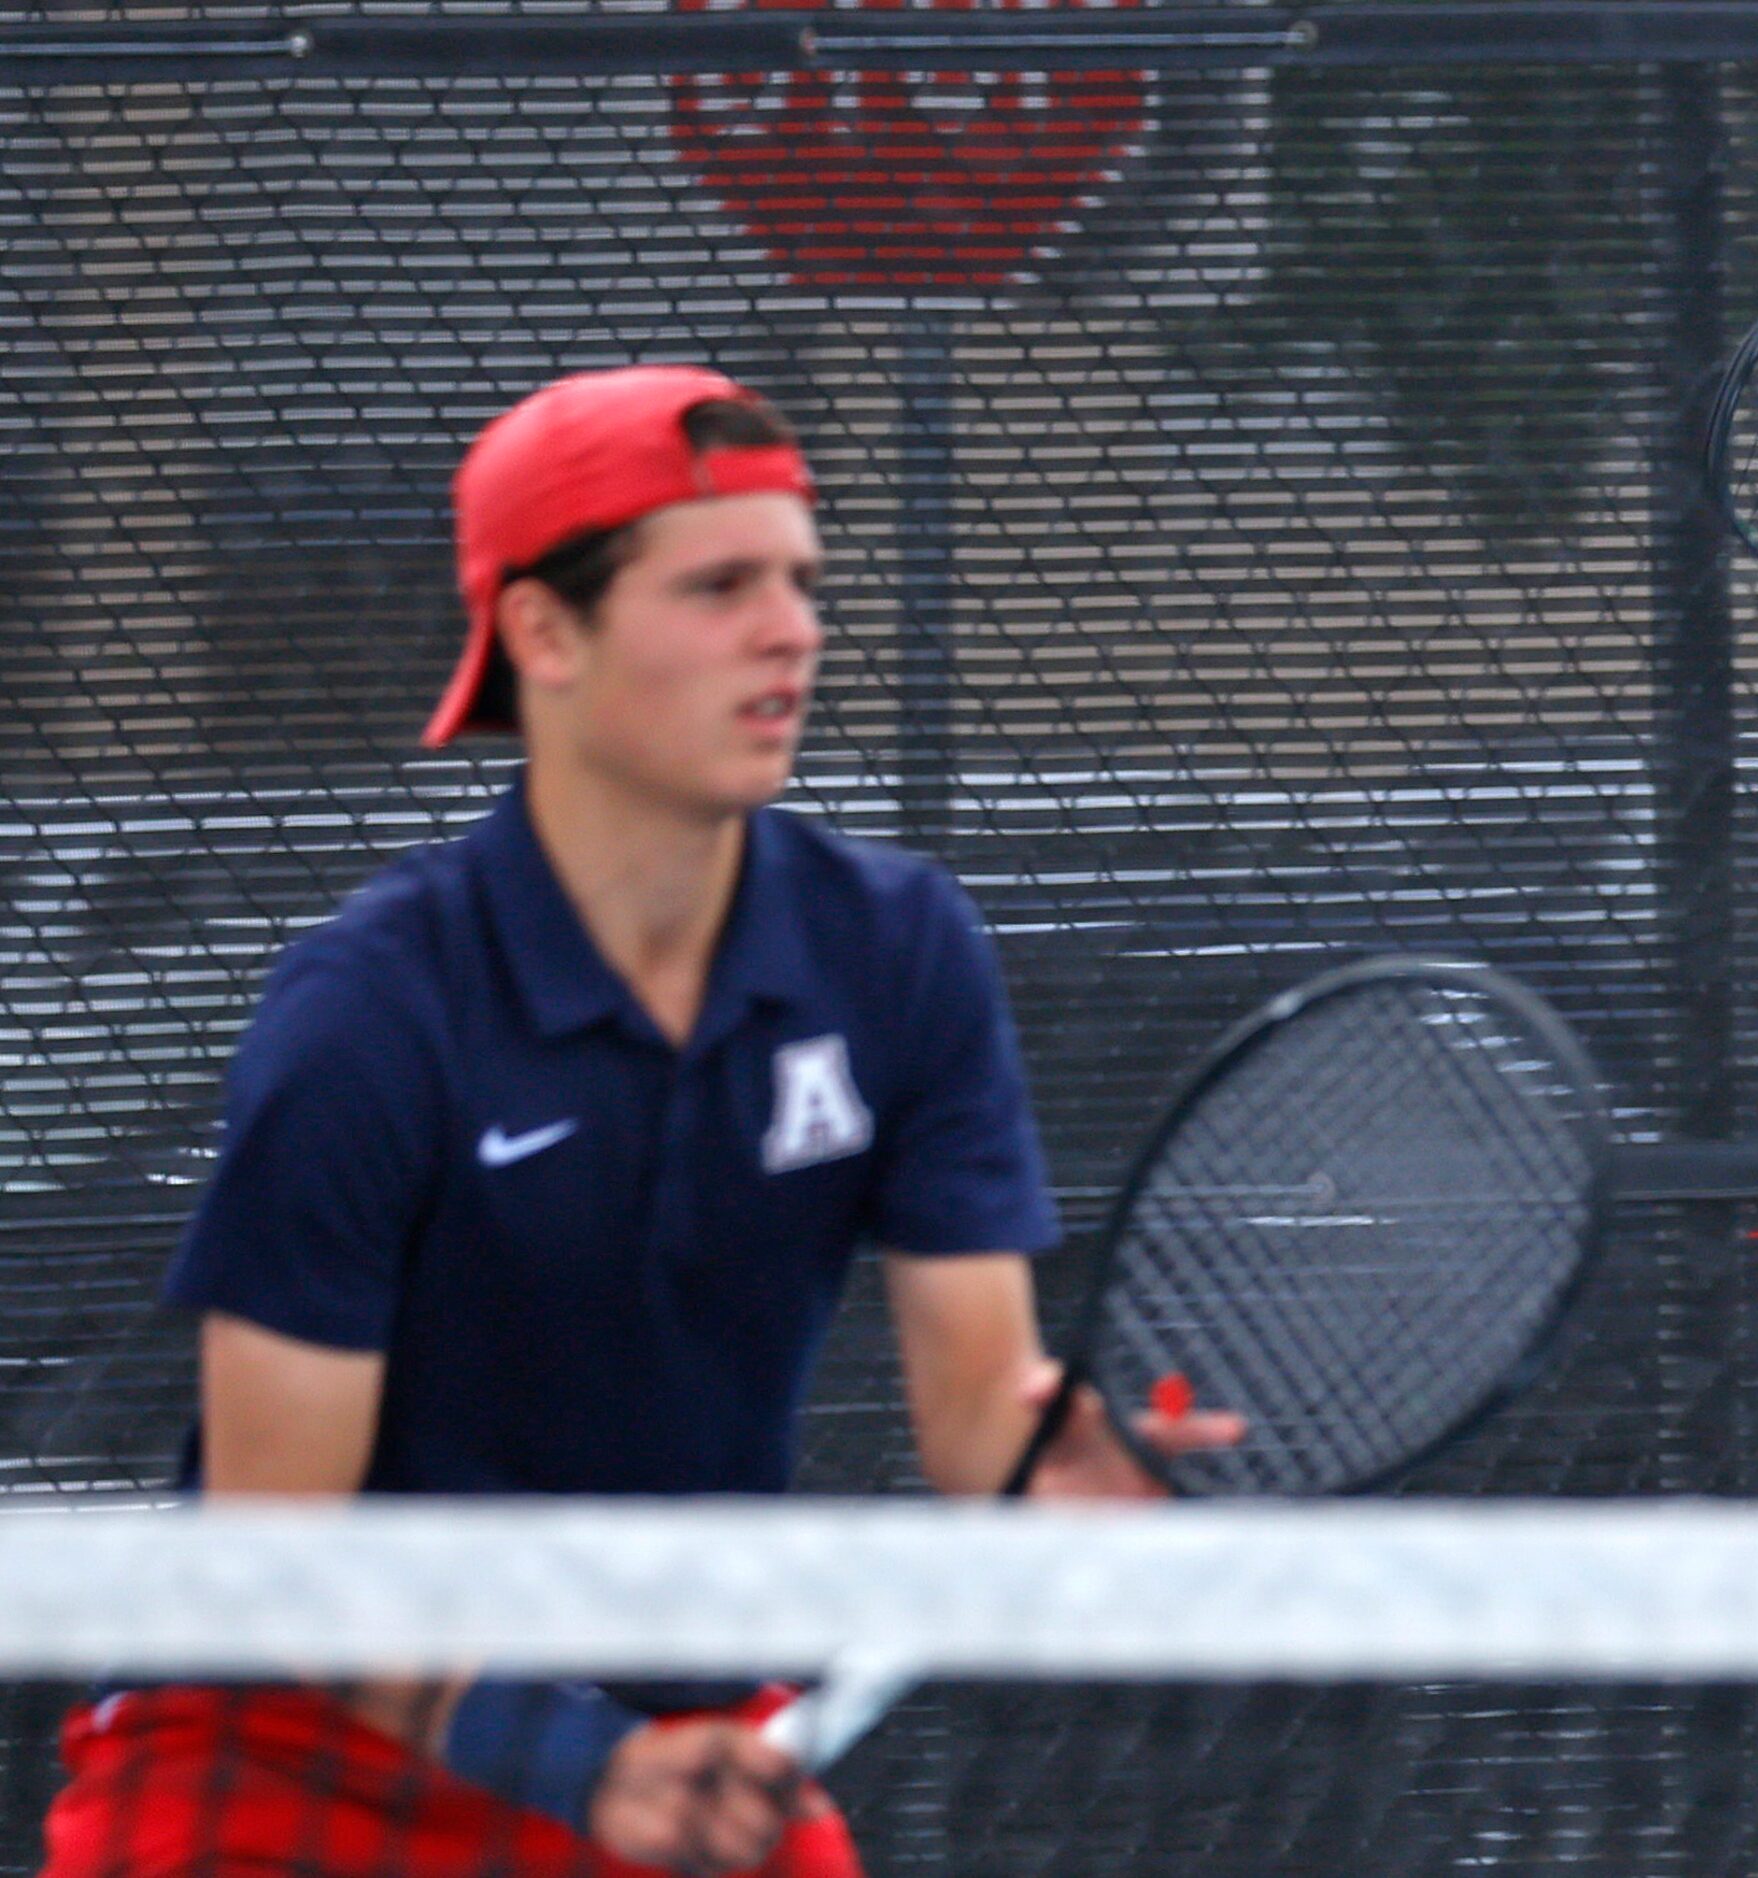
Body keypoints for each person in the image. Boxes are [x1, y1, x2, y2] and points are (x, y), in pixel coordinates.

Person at [42, 365, 1235, 1878]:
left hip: (677, 1731)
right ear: (542, 629)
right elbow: (279, 1553)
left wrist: (1065, 1457)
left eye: (802, 580)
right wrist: (565, 1759)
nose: (790, 629)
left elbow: (983, 1407)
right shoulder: (369, 1012)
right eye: (720, 583)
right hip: (290, 1740)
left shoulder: (898, 952)